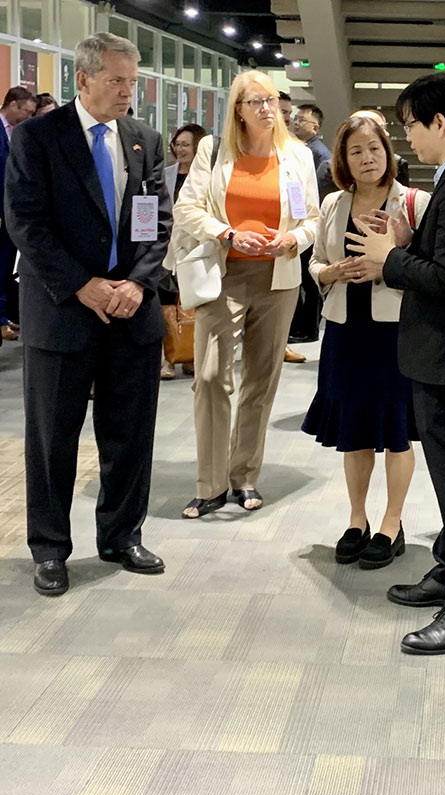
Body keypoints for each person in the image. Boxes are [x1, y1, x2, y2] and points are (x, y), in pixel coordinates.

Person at [346, 73, 445, 656]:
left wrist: (390, 259)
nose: (407, 137)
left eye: (410, 124)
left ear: (439, 122)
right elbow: (444, 258)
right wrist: (407, 242)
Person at [5, 33, 172, 596]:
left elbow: (156, 223)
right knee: (53, 439)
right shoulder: (37, 139)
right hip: (61, 313)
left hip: (130, 312)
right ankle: (50, 548)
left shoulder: (144, 141)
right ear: (84, 79)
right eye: (116, 81)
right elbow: (26, 224)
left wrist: (135, 283)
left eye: (133, 81)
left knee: (129, 434)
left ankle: (122, 535)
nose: (128, 91)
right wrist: (84, 286)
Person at [171, 69, 319, 519]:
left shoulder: (297, 156)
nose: (267, 109)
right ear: (238, 108)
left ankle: (244, 476)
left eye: (272, 100)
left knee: (261, 380)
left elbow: (311, 219)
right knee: (212, 376)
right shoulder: (213, 151)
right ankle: (210, 484)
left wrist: (294, 240)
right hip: (223, 276)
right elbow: (186, 207)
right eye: (256, 101)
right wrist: (228, 233)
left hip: (278, 280)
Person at [303, 114, 430, 569]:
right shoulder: (334, 204)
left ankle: (391, 524)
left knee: (397, 431)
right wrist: (328, 273)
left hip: (394, 329)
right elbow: (316, 261)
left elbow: (425, 266)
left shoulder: (414, 203)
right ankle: (356, 519)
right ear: (343, 159)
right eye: (355, 151)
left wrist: (397, 251)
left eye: (374, 148)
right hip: (345, 327)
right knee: (353, 430)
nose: (366, 158)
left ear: (389, 153)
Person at [160, 122, 207, 380]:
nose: (180, 149)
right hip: (167, 249)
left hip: (196, 248)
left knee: (194, 304)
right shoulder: (165, 174)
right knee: (166, 303)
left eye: (186, 144)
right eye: (177, 144)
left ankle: (190, 356)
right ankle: (168, 359)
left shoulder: (206, 176)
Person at [286, 102, 334, 356]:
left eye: (301, 120)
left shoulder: (319, 154)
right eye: (295, 118)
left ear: (315, 126)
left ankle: (309, 328)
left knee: (309, 279)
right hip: (300, 223)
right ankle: (304, 327)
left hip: (309, 224)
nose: (295, 122)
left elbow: (314, 194)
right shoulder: (302, 149)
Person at [0, 86, 36, 343]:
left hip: (11, 214)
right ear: (13, 104)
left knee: (4, 268)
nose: (28, 116)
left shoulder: (16, 133)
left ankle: (3, 316)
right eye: (26, 110)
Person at [354, 107, 409, 184]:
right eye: (379, 129)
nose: (386, 134)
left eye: (384, 127)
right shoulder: (333, 168)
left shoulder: (397, 163)